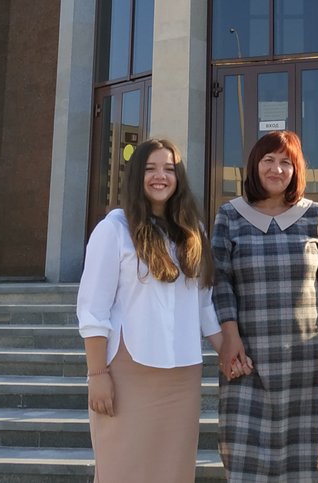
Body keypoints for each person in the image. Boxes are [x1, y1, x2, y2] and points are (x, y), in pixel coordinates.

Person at [77, 138, 243, 483]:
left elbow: (203, 303)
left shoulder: (192, 231)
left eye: (169, 169)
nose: (160, 176)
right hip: (128, 370)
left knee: (173, 471)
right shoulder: (114, 229)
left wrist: (226, 349)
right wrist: (97, 376)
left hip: (182, 374)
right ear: (136, 175)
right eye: (151, 168)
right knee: (122, 470)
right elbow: (93, 310)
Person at [211, 130, 318, 482]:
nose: (276, 169)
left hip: (306, 358)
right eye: (268, 160)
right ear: (254, 166)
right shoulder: (230, 215)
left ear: (297, 170)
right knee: (248, 459)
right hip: (248, 356)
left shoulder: (315, 215)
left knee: (307, 460)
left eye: (286, 162)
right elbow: (219, 282)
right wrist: (229, 339)